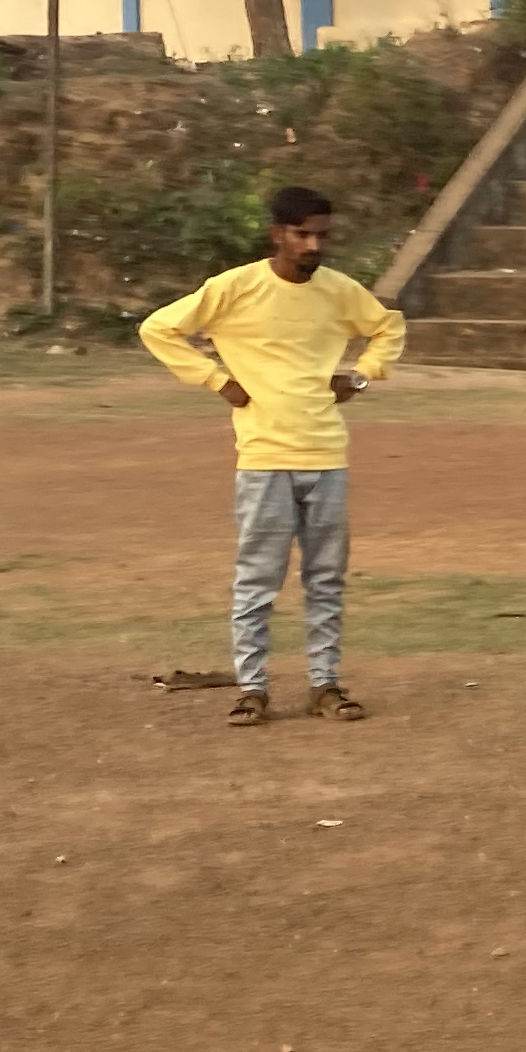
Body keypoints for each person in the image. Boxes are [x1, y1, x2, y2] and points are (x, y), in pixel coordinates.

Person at [139, 185, 408, 728]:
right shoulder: (235, 288)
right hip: (263, 458)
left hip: (326, 455)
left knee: (326, 579)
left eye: (322, 235)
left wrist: (361, 376)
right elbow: (158, 328)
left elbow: (388, 327)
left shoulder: (339, 290)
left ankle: (324, 684)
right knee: (258, 581)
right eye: (302, 234)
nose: (314, 246)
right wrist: (215, 379)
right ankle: (252, 689)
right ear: (277, 234)